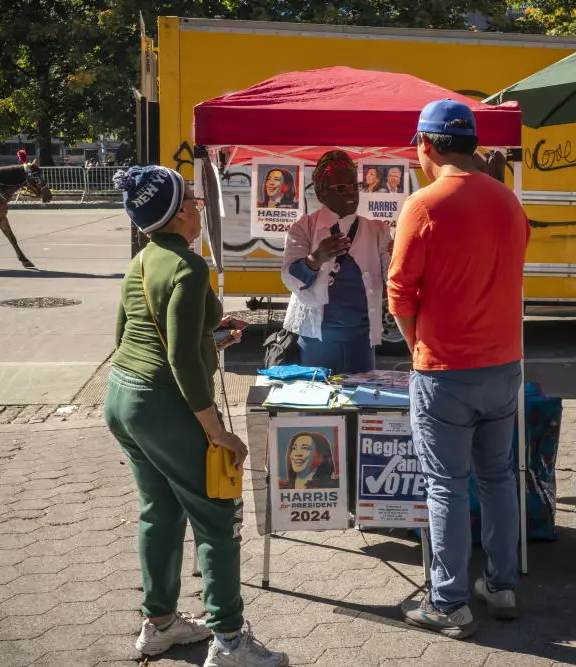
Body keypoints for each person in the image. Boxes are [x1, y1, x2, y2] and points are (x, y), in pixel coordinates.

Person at [106, 165, 288, 667]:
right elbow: (181, 359)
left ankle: (159, 623)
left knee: (159, 511)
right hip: (164, 405)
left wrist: (215, 337)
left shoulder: (143, 258)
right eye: (191, 198)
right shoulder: (188, 266)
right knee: (218, 516)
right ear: (177, 212)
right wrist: (217, 432)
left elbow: (129, 337)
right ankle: (229, 640)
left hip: (123, 398)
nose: (198, 205)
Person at [388, 99, 530, 639]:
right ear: (471, 144)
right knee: (497, 478)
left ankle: (448, 602)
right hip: (503, 365)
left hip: (445, 369)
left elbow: (400, 295)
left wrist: (417, 344)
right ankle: (501, 583)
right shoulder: (508, 201)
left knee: (445, 484)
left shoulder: (422, 205)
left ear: (424, 144)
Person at [281, 150, 392, 374]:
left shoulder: (377, 230)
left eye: (354, 185)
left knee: (361, 401)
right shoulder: (304, 227)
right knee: (316, 403)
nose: (351, 192)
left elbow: (391, 277)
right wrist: (316, 259)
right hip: (317, 341)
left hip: (360, 340)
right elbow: (289, 276)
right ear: (322, 194)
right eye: (341, 188)